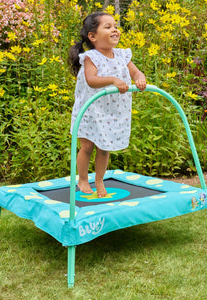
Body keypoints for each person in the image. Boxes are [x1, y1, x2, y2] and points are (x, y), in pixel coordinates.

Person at [68, 12, 146, 198]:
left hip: (111, 111)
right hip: (90, 109)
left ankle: (99, 180)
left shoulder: (122, 55)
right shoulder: (91, 57)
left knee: (104, 147)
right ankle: (83, 179)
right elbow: (91, 80)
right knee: (87, 146)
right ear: (93, 36)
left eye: (115, 26)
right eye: (108, 26)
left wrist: (140, 78)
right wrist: (113, 80)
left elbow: (136, 73)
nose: (114, 30)